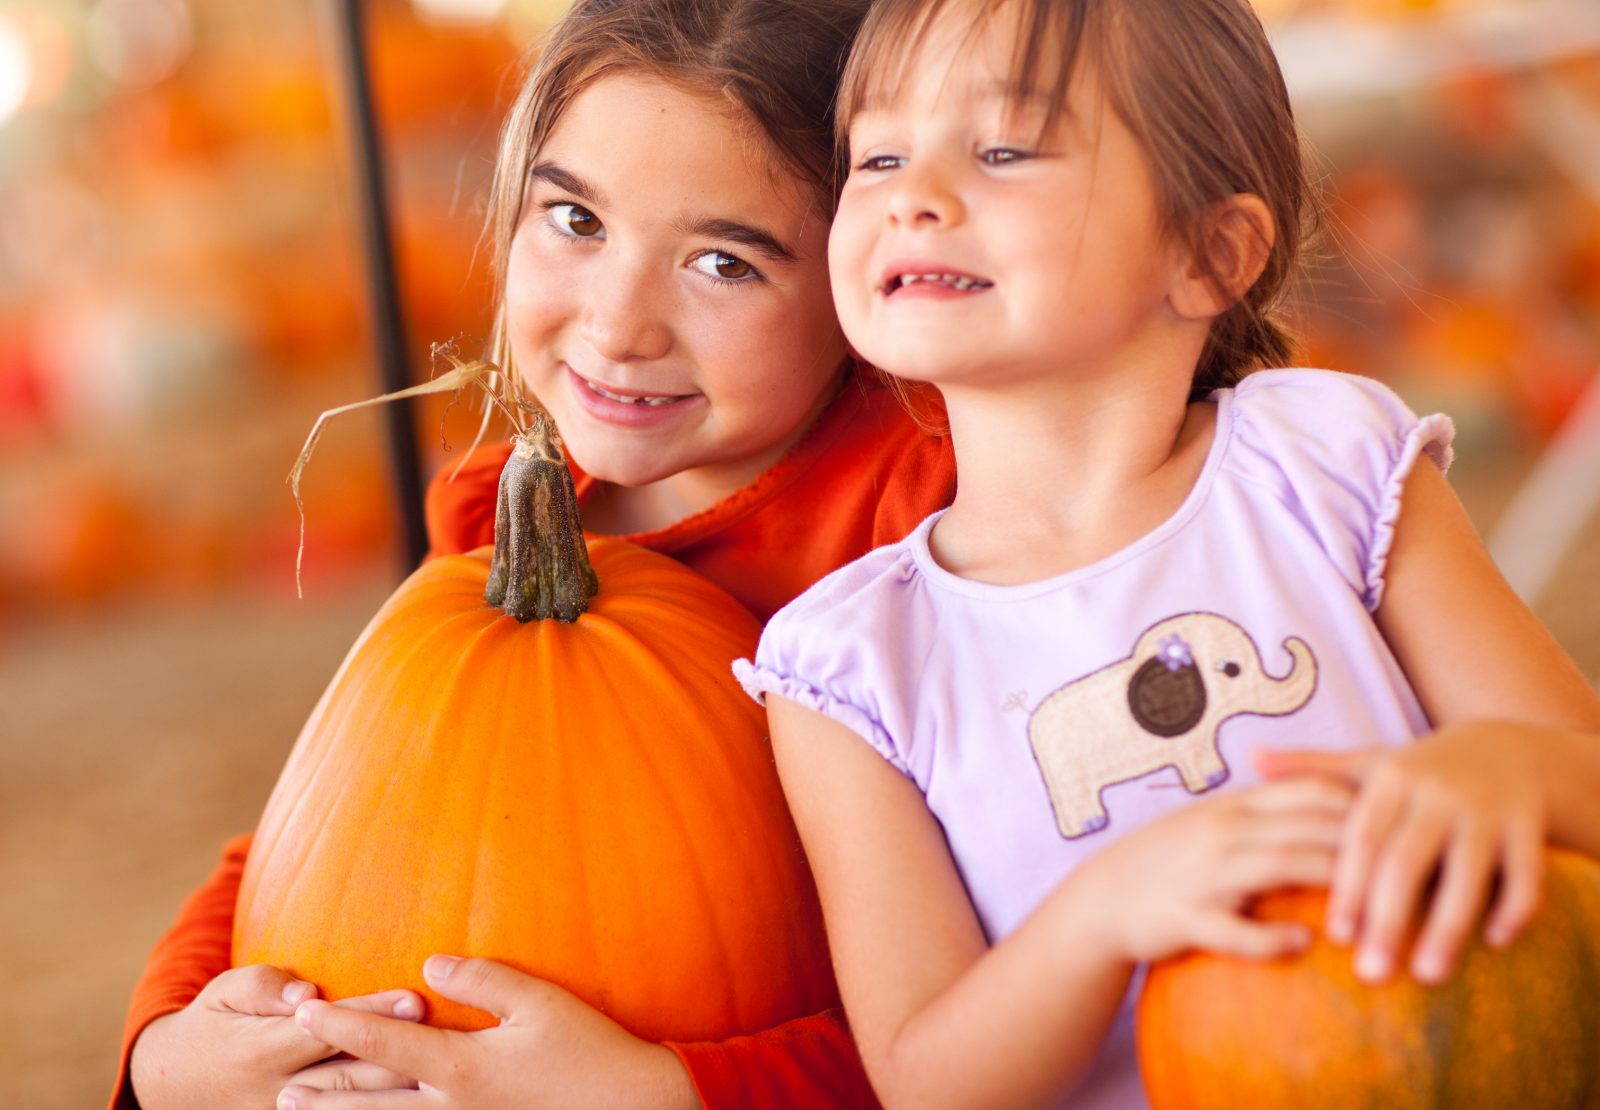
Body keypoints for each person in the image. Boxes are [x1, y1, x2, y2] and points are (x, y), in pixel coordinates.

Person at [742, 0, 1600, 1106]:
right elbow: (925, 1082)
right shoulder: (852, 664)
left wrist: (1502, 770)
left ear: (1207, 253)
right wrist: (1105, 913)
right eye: (878, 154)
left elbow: (1579, 775)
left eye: (1002, 148)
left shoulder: (1320, 464)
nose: (913, 192)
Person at [116, 1, 959, 1107]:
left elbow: (992, 1019)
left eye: (721, 262)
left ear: (867, 267)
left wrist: (665, 1092)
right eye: (574, 220)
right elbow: (322, 825)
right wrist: (166, 1047)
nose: (616, 326)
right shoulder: (500, 517)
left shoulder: (921, 535)